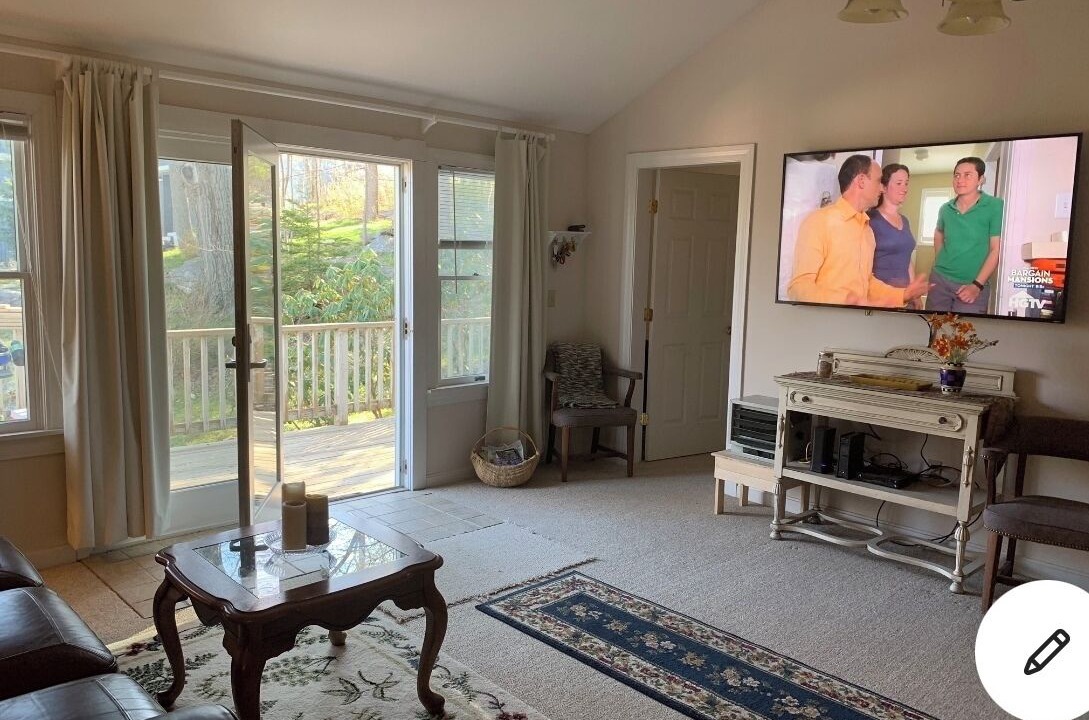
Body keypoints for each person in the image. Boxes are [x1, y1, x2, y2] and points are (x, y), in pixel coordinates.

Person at [788, 155, 929, 307]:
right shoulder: (819, 221)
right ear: (861, 181)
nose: (881, 188)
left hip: (857, 319)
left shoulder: (867, 230)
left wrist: (903, 295)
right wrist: (845, 301)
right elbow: (799, 287)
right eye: (878, 181)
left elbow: (867, 283)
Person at [925, 157, 1004, 313]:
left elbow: (996, 249)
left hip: (972, 285)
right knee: (933, 325)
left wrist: (977, 285)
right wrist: (940, 259)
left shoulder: (995, 206)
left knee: (964, 328)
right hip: (940, 280)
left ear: (981, 179)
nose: (960, 180)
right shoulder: (945, 209)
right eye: (957, 175)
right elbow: (939, 233)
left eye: (967, 175)